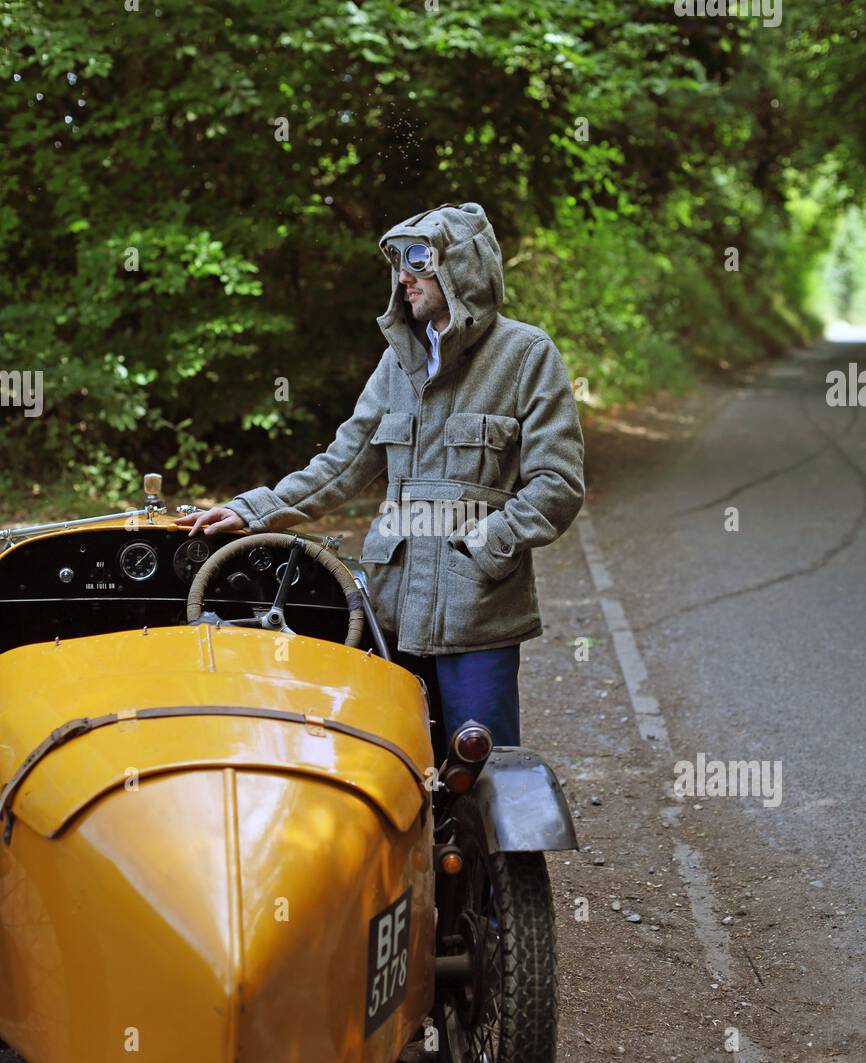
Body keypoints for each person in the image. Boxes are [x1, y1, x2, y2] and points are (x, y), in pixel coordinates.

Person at [176, 201, 584, 764]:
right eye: (397, 262)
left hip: (478, 610)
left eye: (419, 259)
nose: (404, 276)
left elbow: (557, 484)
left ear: (460, 267)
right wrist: (255, 510)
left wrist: (486, 545)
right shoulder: (397, 363)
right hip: (388, 613)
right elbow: (342, 464)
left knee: (486, 775)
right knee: (393, 766)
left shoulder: (525, 355)